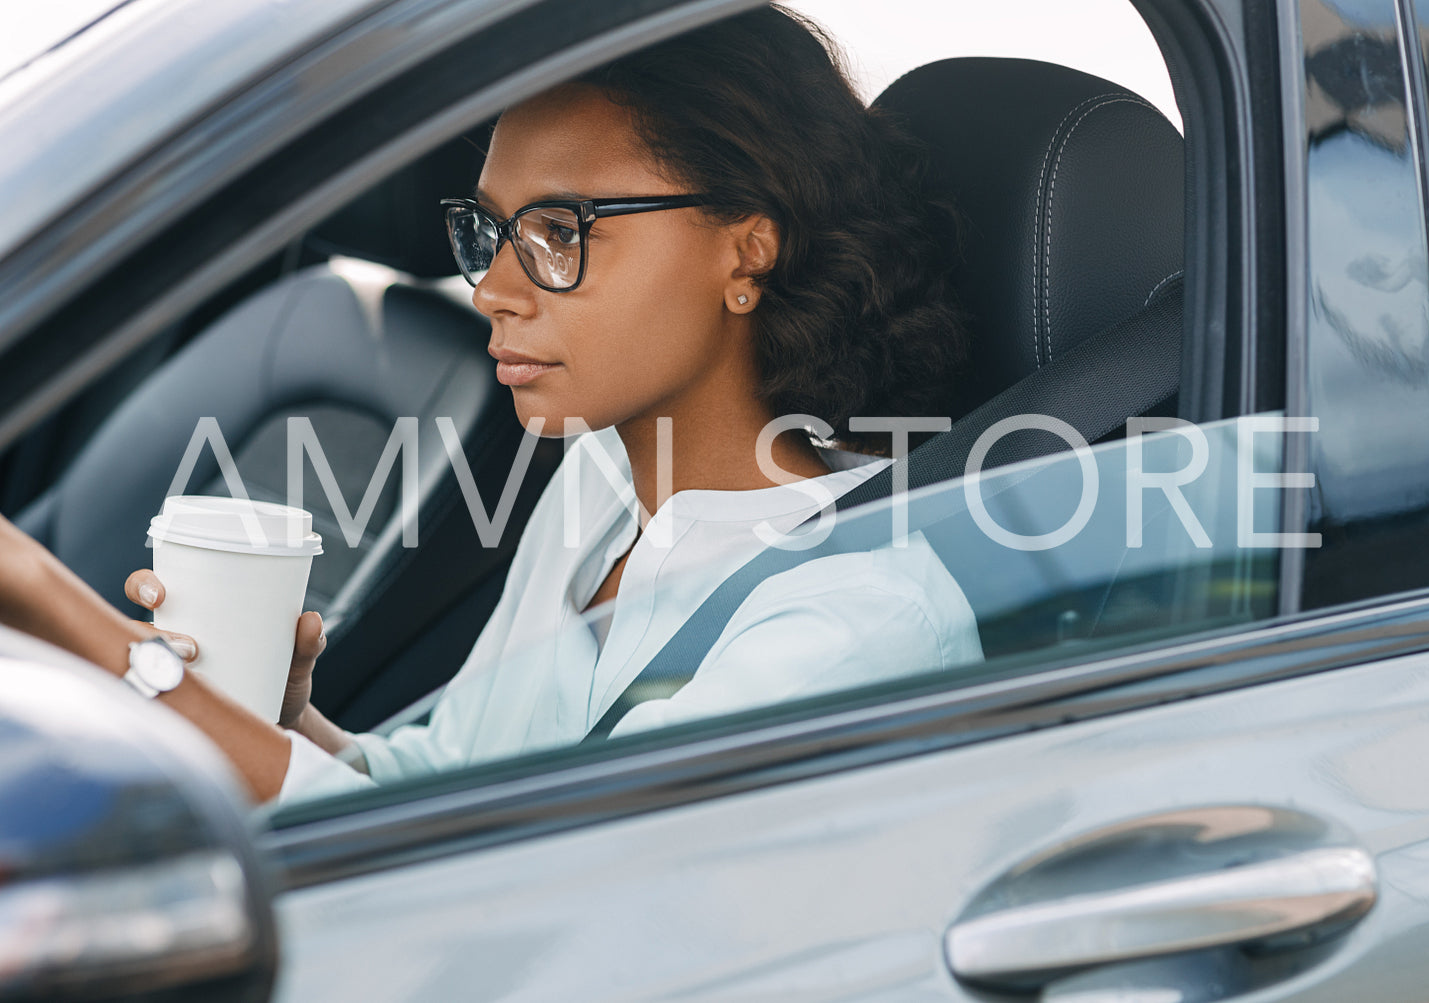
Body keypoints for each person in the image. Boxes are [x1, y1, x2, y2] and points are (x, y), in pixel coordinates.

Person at [0, 5, 982, 805]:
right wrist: (283, 715)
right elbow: (443, 795)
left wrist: (65, 613)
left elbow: (489, 885)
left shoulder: (849, 624)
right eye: (489, 230)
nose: (492, 288)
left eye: (559, 229)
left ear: (744, 249)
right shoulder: (599, 487)